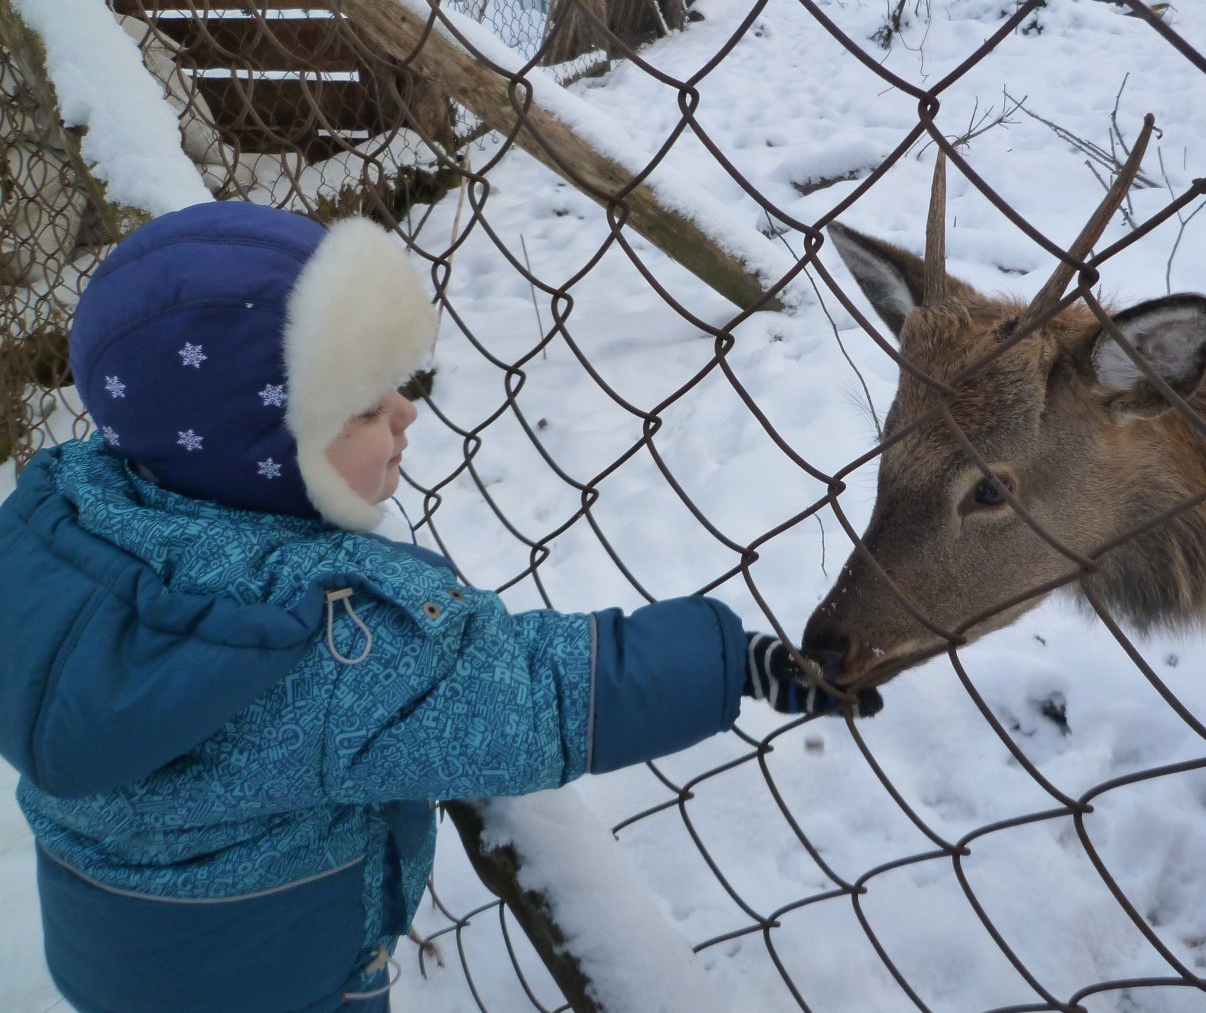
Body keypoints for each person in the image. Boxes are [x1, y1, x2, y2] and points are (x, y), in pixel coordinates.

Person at [0, 201, 876, 1013]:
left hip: (113, 951)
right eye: (367, 407)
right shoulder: (318, 647)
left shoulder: (61, 521)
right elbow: (532, 697)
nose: (410, 413)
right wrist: (730, 661)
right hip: (285, 977)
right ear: (262, 456)